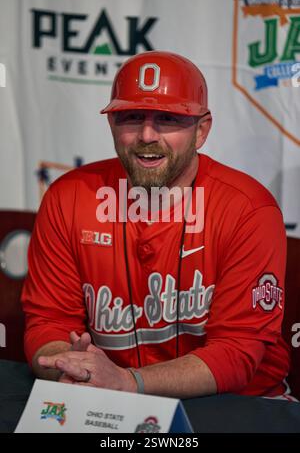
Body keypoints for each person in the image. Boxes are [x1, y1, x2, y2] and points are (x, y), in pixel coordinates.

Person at [21, 50, 292, 399]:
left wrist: (128, 382)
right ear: (112, 125)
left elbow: (237, 353)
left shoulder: (248, 209)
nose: (147, 135)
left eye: (167, 118)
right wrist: (68, 364)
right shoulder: (68, 197)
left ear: (201, 130)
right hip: (106, 398)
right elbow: (48, 320)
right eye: (131, 117)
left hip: (238, 403)